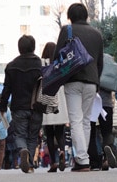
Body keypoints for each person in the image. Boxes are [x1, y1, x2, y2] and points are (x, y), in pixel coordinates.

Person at [54, 3, 105, 172]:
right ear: (86, 15)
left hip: (73, 79)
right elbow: (100, 62)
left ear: (70, 16)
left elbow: (57, 57)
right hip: (92, 81)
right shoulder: (97, 34)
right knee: (86, 121)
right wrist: (96, 81)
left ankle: (82, 160)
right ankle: (84, 157)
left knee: (75, 119)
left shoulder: (67, 30)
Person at [0, 35, 45, 173]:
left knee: (20, 135)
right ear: (33, 47)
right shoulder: (40, 64)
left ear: (19, 48)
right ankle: (29, 164)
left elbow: (7, 89)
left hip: (18, 107)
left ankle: (23, 151)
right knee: (33, 135)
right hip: (37, 106)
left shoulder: (11, 66)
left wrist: (2, 106)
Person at [40, 42, 70, 173]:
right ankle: (62, 151)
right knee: (60, 133)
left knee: (49, 134)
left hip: (47, 98)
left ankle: (54, 162)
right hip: (60, 100)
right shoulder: (61, 62)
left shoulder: (41, 63)